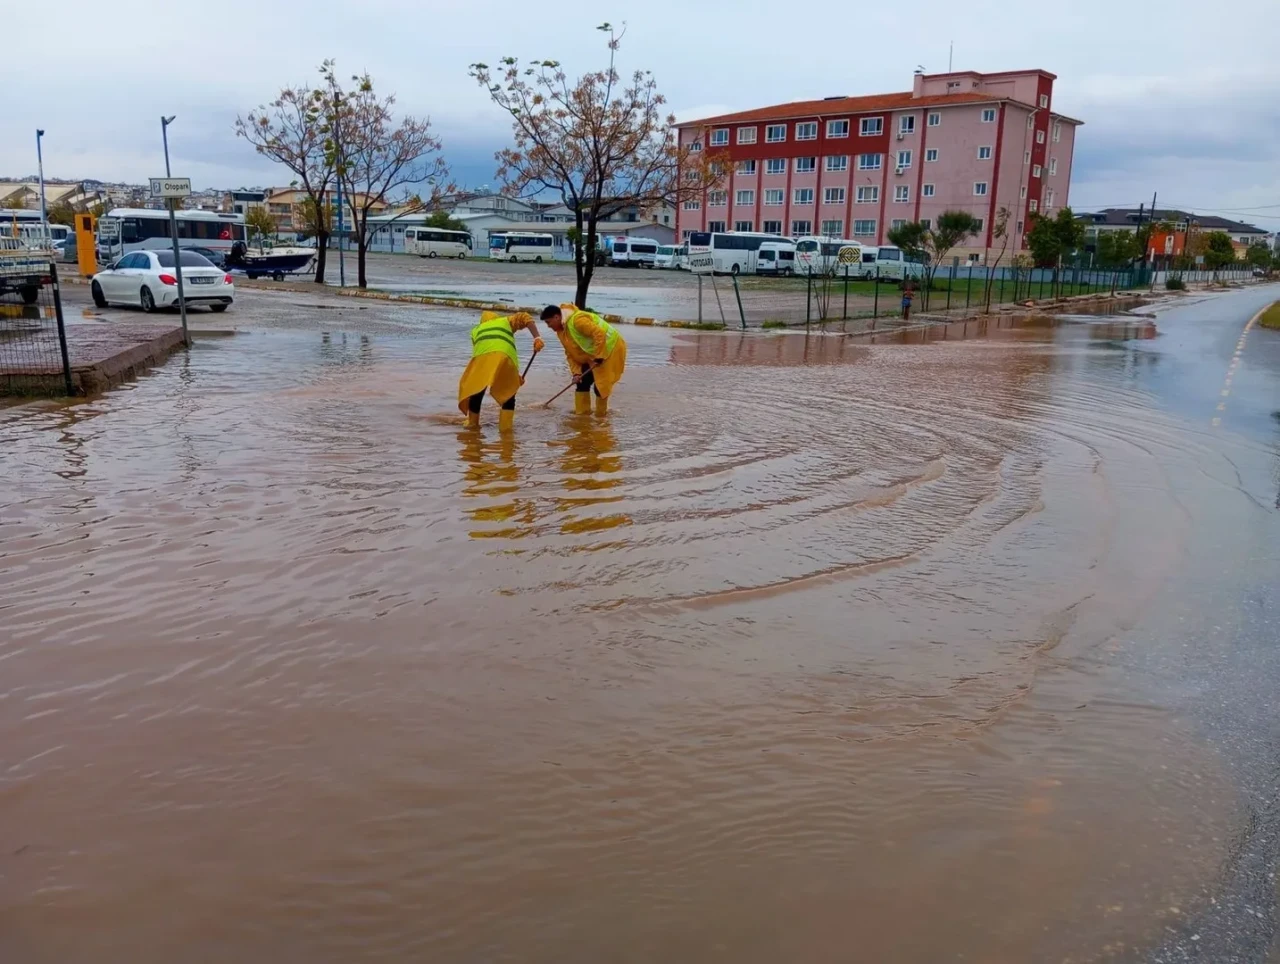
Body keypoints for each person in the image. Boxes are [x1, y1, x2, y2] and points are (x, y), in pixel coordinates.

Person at [457, 310, 545, 431]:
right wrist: (537, 337)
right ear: (496, 318)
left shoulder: (475, 330)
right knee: (508, 394)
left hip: (481, 358)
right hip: (505, 356)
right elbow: (525, 317)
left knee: (477, 391)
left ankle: (472, 424)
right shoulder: (505, 321)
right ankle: (506, 429)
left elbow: (487, 357)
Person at [539, 304, 627, 415]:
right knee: (581, 382)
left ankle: (601, 416)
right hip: (593, 353)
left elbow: (599, 333)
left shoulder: (578, 320)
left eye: (548, 322)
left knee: (600, 387)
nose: (548, 326)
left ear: (556, 317)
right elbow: (571, 353)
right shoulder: (561, 331)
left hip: (611, 349)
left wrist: (599, 356)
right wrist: (576, 373)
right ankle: (582, 415)